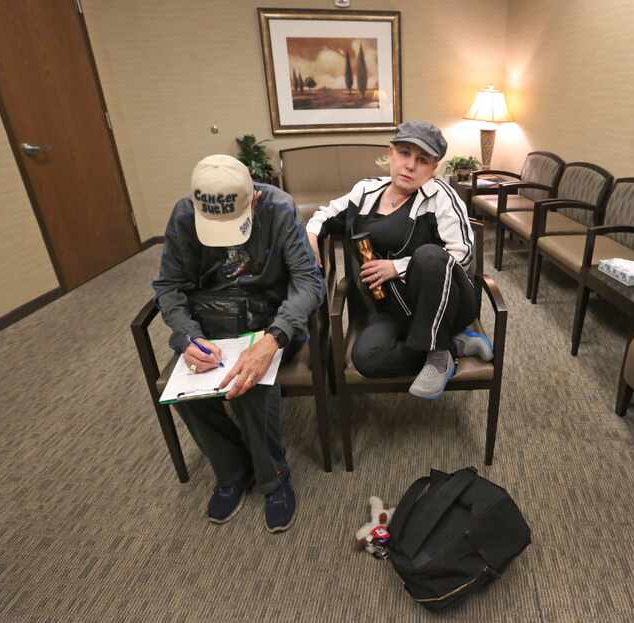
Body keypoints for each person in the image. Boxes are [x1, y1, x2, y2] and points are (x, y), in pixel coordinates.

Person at [153, 154, 324, 531]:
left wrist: (274, 338)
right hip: (208, 324)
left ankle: (274, 478)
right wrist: (187, 337)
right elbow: (168, 286)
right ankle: (232, 470)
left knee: (250, 385)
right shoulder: (184, 215)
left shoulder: (279, 208)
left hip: (270, 320)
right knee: (188, 391)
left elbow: (310, 282)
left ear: (254, 199)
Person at [306, 121, 493, 399]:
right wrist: (311, 232)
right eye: (404, 153)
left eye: (422, 160)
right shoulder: (365, 191)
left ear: (433, 168)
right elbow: (326, 215)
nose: (410, 166)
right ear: (391, 154)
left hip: (444, 305)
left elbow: (463, 254)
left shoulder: (441, 196)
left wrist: (398, 267)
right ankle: (453, 346)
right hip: (392, 311)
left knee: (429, 255)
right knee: (368, 359)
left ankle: (438, 356)